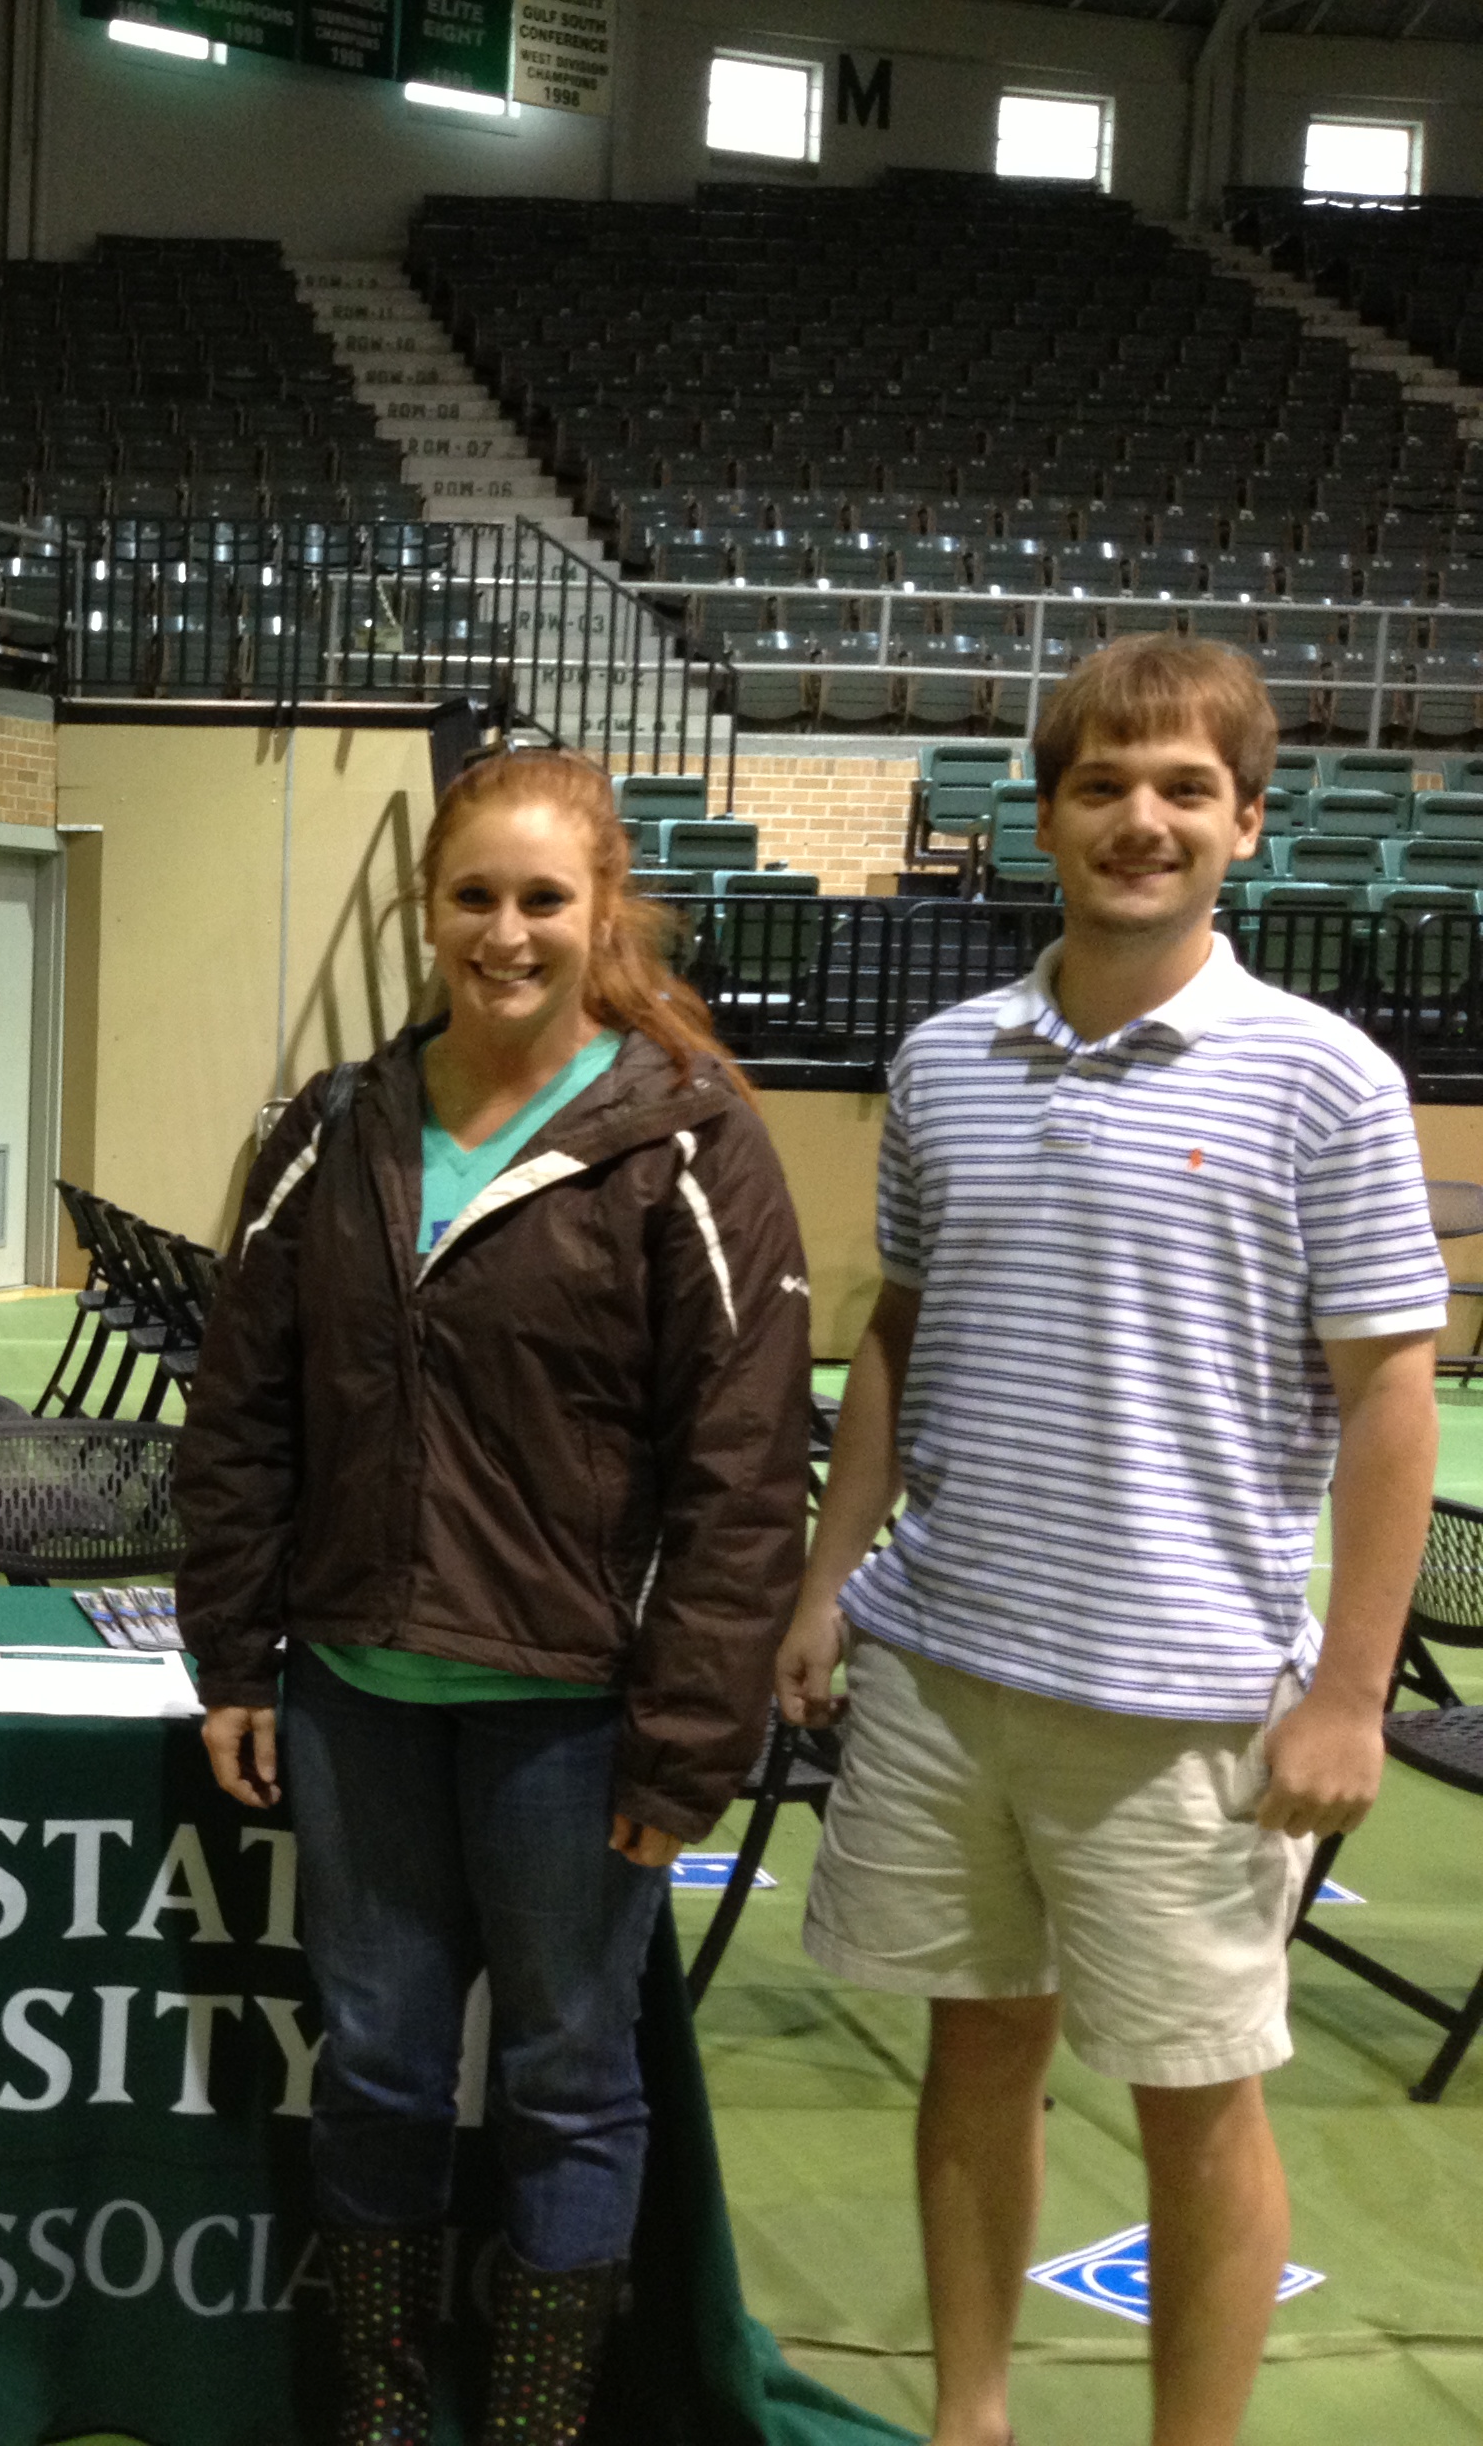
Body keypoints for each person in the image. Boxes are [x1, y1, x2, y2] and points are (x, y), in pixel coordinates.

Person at [777, 636, 1443, 2446]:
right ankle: (970, 2417)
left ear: (1241, 815)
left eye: (1175, 789)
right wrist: (833, 1578)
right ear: (1041, 813)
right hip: (939, 1667)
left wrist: (1347, 1695)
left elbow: (1391, 1395)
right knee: (971, 2051)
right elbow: (898, 1336)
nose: (1134, 820)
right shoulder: (940, 1061)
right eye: (1097, 785)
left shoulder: (1320, 1078)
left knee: (1192, 2106)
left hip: (1183, 1709)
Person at [179, 748, 813, 2446]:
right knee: (377, 2069)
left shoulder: (687, 1140)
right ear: (423, 908)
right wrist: (234, 1648)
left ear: (601, 910)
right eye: (473, 895)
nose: (505, 931)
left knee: (564, 2081)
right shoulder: (333, 1126)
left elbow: (741, 1476)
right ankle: (381, 2414)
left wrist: (687, 1738)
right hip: (352, 1702)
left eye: (542, 897)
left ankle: (532, 2423)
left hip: (571, 1720)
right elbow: (240, 1404)